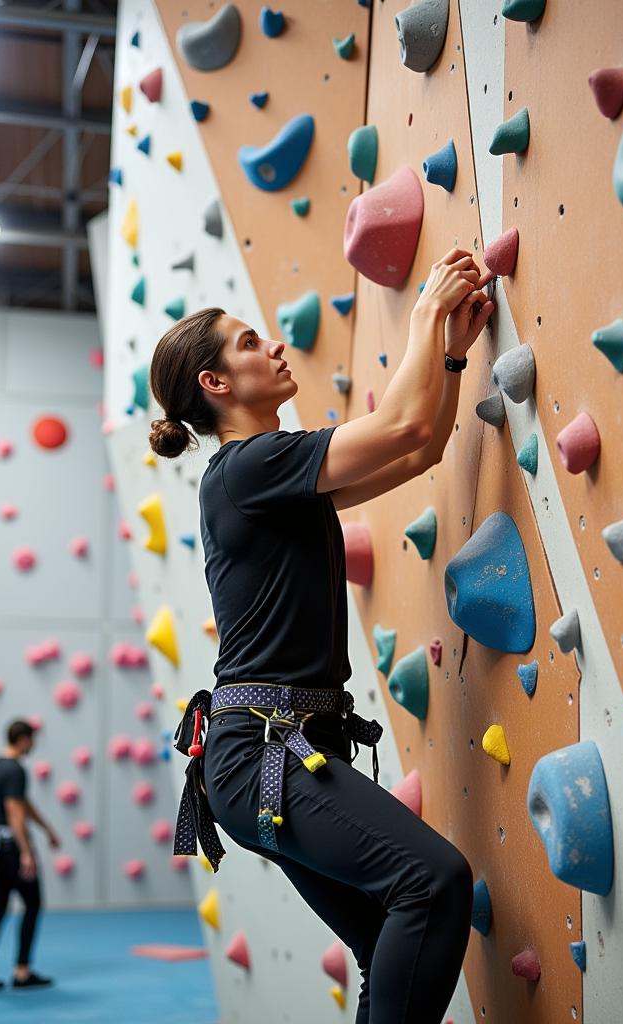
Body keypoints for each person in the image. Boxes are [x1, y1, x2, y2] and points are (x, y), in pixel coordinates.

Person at [150, 248, 495, 1024]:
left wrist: (446, 355)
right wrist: (422, 315)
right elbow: (404, 421)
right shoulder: (247, 467)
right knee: (433, 882)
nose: (274, 346)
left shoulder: (273, 479)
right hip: (264, 752)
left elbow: (422, 448)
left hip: (275, 752)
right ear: (216, 385)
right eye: (248, 344)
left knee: (389, 938)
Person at [0, 719, 59, 992]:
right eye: (32, 739)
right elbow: (15, 811)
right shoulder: (16, 770)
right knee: (33, 905)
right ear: (23, 739)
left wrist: (46, 828)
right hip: (11, 849)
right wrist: (26, 852)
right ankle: (22, 971)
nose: (33, 745)